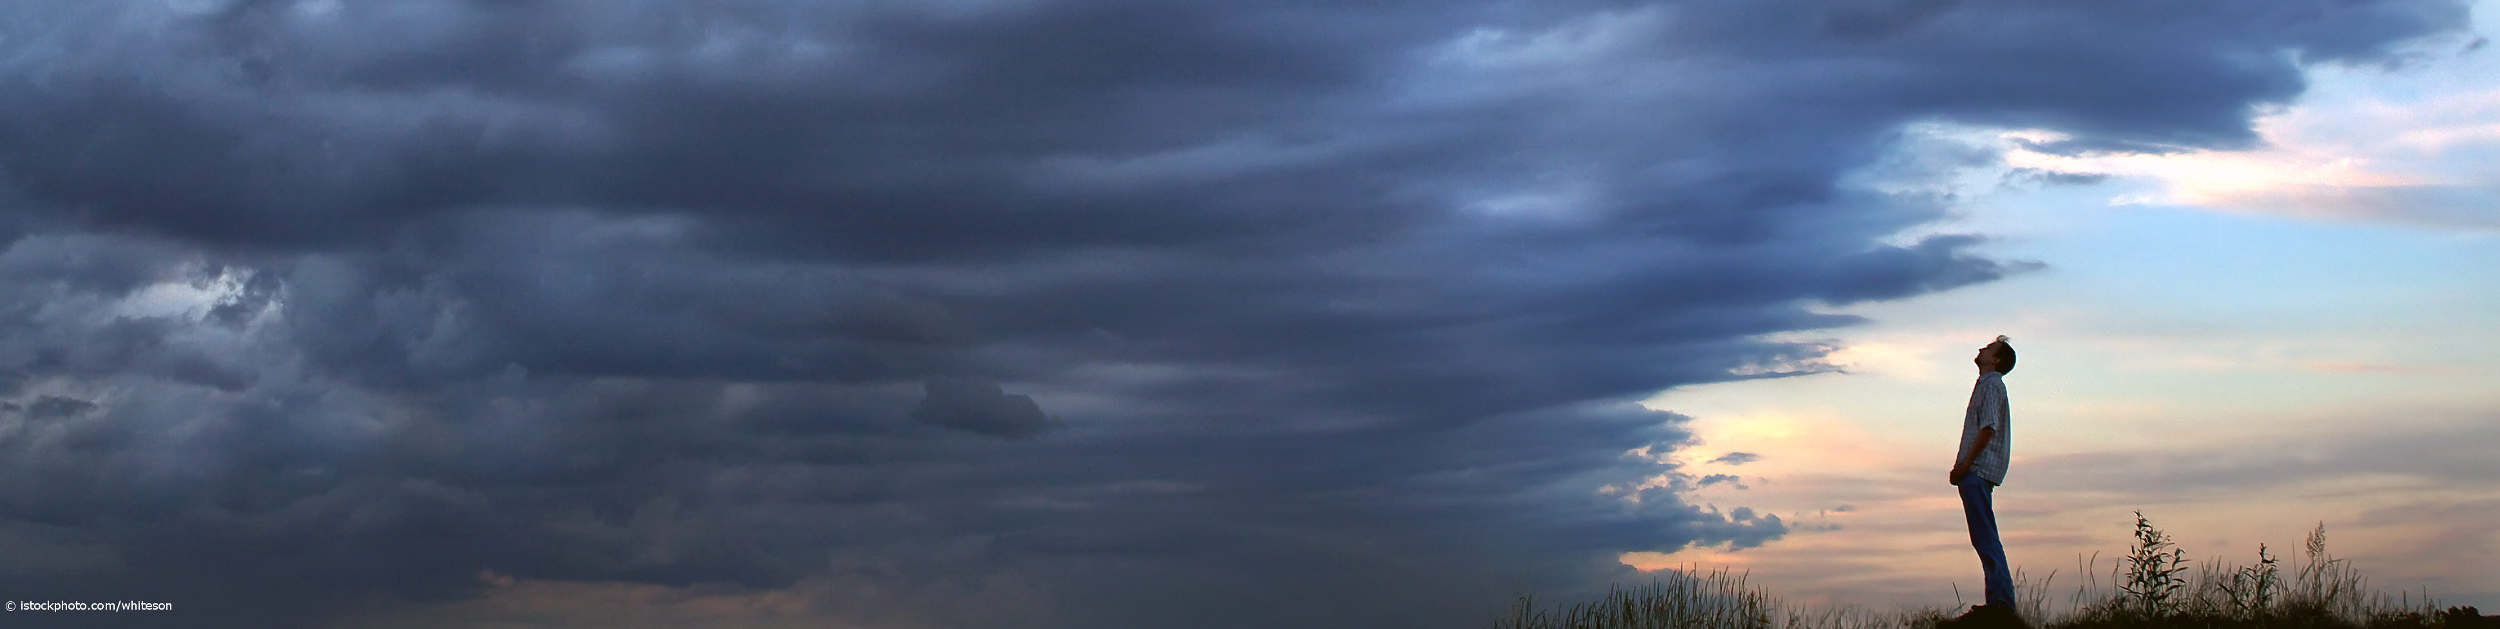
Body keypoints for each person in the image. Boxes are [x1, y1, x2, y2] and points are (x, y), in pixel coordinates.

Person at [1948, 335, 2018, 626]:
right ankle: (1998, 604)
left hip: (1977, 471)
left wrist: (1964, 465)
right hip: (1977, 472)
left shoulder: (1992, 385)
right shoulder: (1986, 386)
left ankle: (2001, 604)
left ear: (1997, 360)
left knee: (1985, 538)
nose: (1981, 349)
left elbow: (1988, 428)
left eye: (1989, 349)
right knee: (1984, 537)